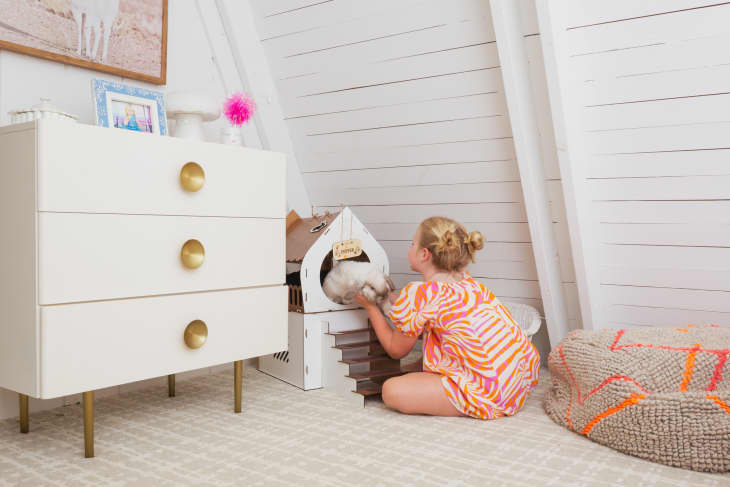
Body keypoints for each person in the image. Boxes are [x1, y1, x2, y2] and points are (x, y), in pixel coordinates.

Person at [355, 216, 540, 419]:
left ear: (424, 254)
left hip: (487, 391)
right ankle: (433, 375)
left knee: (391, 390)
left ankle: (468, 398)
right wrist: (385, 295)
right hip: (516, 382)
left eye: (412, 244)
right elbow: (415, 313)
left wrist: (370, 307)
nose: (410, 247)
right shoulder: (467, 282)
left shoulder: (419, 293)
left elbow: (395, 349)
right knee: (437, 334)